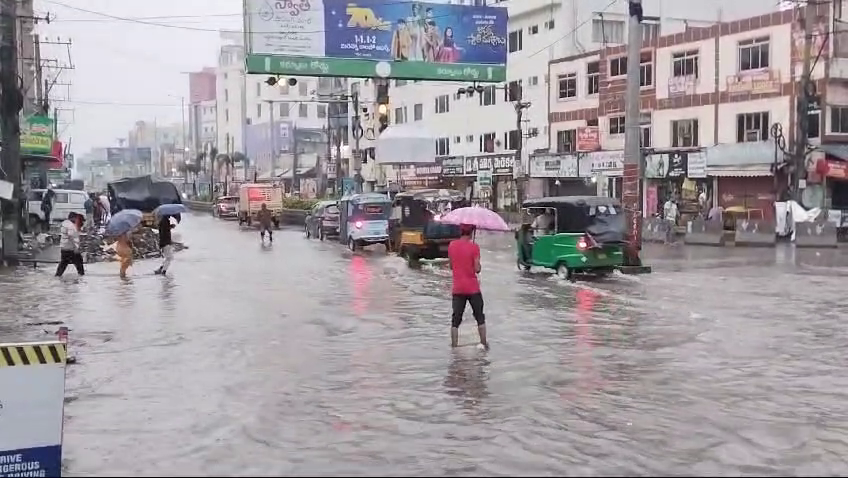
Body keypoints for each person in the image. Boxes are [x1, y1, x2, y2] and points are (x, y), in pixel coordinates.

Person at [447, 223, 487, 349]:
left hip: (458, 288)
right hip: (473, 288)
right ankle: (484, 343)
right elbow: (477, 269)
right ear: (471, 233)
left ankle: (454, 346)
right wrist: (478, 265)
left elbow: (451, 266)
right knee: (479, 317)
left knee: (455, 320)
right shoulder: (474, 247)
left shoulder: (452, 245)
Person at [55, 212, 84, 277]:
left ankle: (57, 276)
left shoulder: (64, 223)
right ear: (73, 218)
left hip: (64, 248)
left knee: (63, 264)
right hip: (70, 249)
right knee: (79, 262)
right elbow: (71, 236)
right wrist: (75, 248)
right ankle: (81, 277)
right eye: (76, 218)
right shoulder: (70, 225)